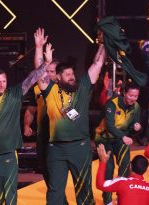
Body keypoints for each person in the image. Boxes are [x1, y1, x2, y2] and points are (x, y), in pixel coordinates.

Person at [0, 42, 51, 205]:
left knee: (7, 199)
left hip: (6, 157)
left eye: (4, 81)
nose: (2, 85)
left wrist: (46, 61)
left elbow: (32, 78)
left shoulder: (13, 95)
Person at [37, 42, 106, 205]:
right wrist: (39, 49)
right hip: (56, 149)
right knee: (55, 192)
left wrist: (103, 43)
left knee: (84, 190)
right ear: (58, 77)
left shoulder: (82, 86)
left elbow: (97, 63)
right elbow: (38, 74)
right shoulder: (50, 91)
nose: (72, 76)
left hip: (80, 147)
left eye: (72, 73)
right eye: (67, 74)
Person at [23, 28, 62, 194]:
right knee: (45, 171)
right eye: (47, 71)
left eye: (52, 71)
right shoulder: (40, 88)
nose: (48, 74)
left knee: (58, 176)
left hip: (60, 137)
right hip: (43, 137)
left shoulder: (65, 88)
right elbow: (30, 110)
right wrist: (38, 47)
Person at [94, 83, 142, 204]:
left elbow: (132, 126)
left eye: (136, 96)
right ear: (124, 93)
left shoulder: (136, 107)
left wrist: (137, 128)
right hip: (104, 138)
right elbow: (110, 126)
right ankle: (108, 201)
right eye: (131, 95)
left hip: (120, 138)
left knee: (126, 164)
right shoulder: (112, 103)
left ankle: (122, 197)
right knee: (108, 168)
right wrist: (124, 136)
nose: (133, 98)